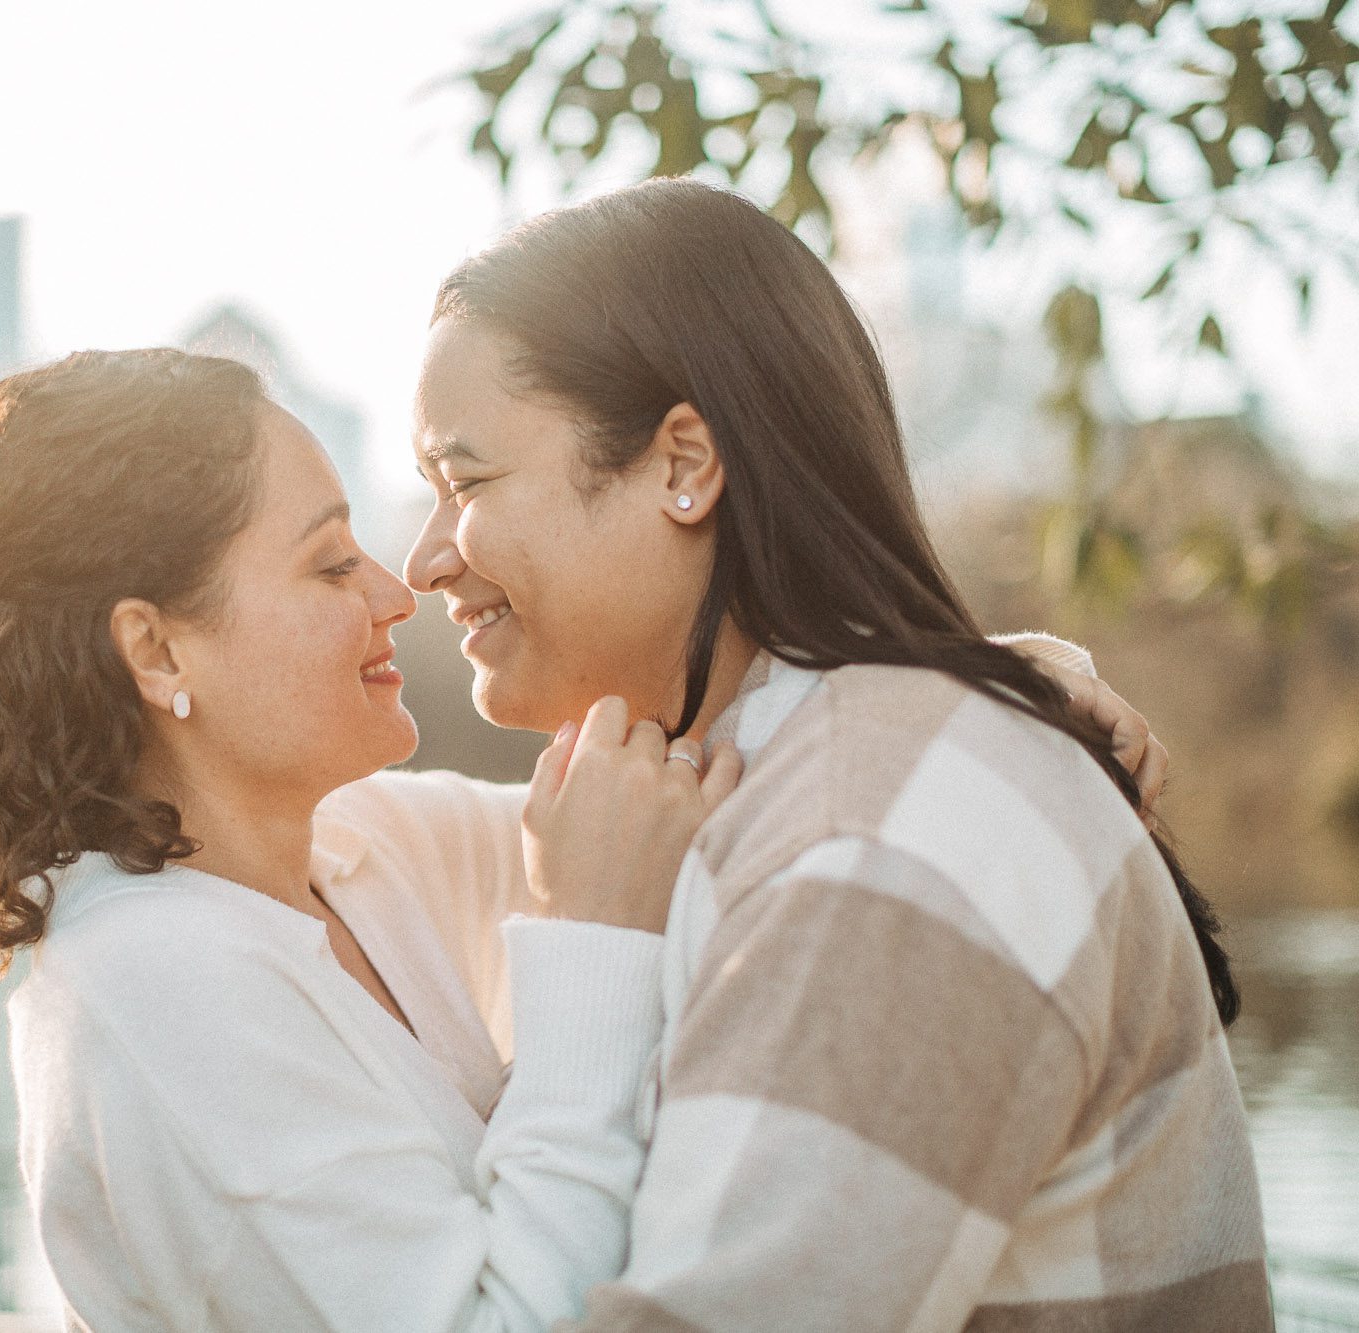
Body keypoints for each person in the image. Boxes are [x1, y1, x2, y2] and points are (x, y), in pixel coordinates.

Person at [404, 177, 1270, 1331]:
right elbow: (315, 844)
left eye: (462, 482)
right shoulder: (771, 779)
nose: (418, 563)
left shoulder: (873, 831)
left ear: (681, 466)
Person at [0, 347, 738, 1331]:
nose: (396, 592)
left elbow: (646, 821)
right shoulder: (150, 982)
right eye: (331, 562)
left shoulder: (351, 850)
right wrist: (595, 945)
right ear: (157, 649)